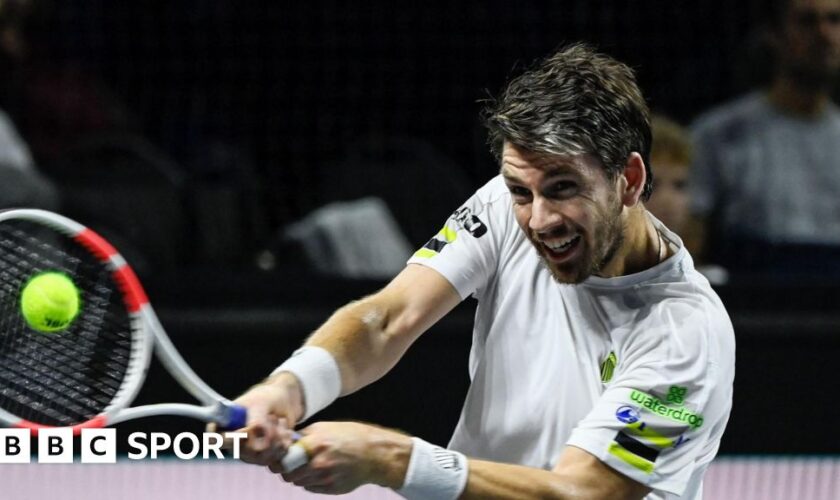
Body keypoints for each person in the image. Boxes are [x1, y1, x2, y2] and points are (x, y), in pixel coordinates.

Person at [227, 44, 735, 500]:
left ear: (628, 180)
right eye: (521, 191)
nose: (538, 221)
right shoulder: (502, 202)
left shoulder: (686, 334)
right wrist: (289, 388)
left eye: (562, 189)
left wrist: (391, 459)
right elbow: (390, 317)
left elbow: (583, 494)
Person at [690, 0, 840, 275]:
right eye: (807, 21)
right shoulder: (719, 134)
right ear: (774, 35)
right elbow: (688, 243)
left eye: (834, 20)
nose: (824, 34)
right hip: (754, 306)